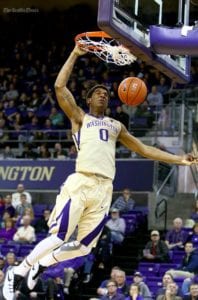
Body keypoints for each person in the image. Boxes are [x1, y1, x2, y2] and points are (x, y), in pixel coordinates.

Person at [3, 44, 198, 300]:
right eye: (97, 93)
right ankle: (17, 271)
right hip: (81, 182)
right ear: (88, 99)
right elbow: (60, 88)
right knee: (59, 236)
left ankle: (41, 264)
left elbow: (144, 149)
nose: (103, 95)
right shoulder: (80, 117)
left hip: (105, 189)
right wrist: (75, 53)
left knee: (83, 248)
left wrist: (180, 159)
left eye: (106, 93)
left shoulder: (116, 125)